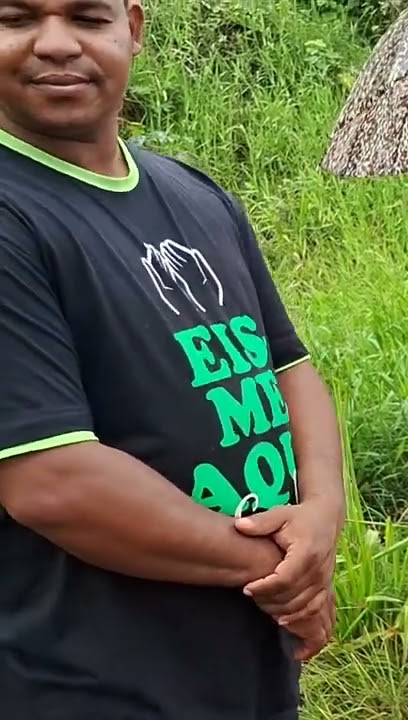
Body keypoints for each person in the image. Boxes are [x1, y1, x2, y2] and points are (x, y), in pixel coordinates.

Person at [0, 1, 346, 718]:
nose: (56, 44)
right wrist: (285, 572)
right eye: (17, 18)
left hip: (246, 661)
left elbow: (289, 367)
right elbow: (51, 480)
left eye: (88, 18)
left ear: (133, 26)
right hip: (91, 682)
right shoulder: (14, 217)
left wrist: (322, 514)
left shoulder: (196, 194)